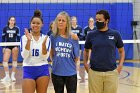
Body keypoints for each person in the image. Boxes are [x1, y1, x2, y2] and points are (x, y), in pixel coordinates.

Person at [83, 10, 125, 93]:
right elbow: (86, 50)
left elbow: (122, 51)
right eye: (96, 19)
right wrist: (85, 64)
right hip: (94, 73)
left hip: (111, 73)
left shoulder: (115, 34)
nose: (97, 22)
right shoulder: (91, 35)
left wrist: (120, 66)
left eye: (100, 20)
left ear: (107, 20)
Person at [21, 10, 51, 93]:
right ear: (30, 24)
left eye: (38, 23)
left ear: (42, 25)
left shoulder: (46, 38)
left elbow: (45, 57)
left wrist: (43, 46)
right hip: (28, 68)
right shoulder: (24, 38)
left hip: (42, 69)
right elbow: (24, 56)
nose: (35, 25)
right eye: (33, 23)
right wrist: (28, 41)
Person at [50, 11, 79, 93]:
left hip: (71, 73)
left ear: (67, 23)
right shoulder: (53, 37)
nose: (61, 22)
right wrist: (56, 62)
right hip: (57, 73)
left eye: (63, 20)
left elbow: (76, 56)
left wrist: (69, 66)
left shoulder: (73, 37)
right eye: (59, 20)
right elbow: (51, 54)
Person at [1, 16, 20, 82]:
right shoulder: (5, 28)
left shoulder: (17, 28)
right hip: (7, 45)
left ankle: (13, 76)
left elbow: (18, 38)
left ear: (15, 21)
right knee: (5, 61)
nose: (12, 21)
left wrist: (17, 46)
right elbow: (3, 38)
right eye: (11, 20)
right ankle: (7, 76)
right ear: (9, 21)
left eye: (13, 20)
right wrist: (3, 47)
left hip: (14, 46)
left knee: (14, 60)